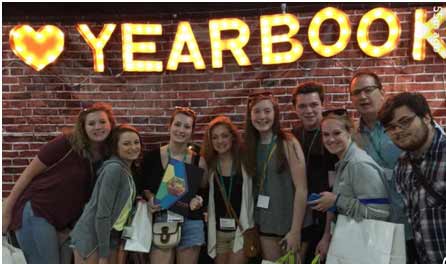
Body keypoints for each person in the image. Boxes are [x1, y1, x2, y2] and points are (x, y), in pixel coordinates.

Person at [2, 102, 115, 264]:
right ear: (83, 127)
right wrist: (6, 212)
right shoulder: (66, 143)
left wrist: (69, 228)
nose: (98, 127)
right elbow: (27, 175)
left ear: (111, 124)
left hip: (63, 223)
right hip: (37, 211)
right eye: (91, 123)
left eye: (102, 122)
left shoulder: (107, 155)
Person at [349, 71, 416, 262]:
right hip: (374, 226)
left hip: (411, 221)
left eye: (368, 90)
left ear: (382, 92)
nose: (363, 96)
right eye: (356, 93)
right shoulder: (351, 134)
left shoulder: (402, 125)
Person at [310, 109, 390, 260]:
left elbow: (380, 212)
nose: (330, 139)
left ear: (349, 132)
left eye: (336, 133)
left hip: (365, 248)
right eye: (326, 135)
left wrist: (336, 200)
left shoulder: (358, 164)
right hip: (351, 243)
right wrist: (327, 236)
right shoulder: (344, 161)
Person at [378, 92, 446, 264]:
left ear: (426, 117)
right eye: (391, 127)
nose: (398, 131)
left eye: (405, 122)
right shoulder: (402, 166)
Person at [138, 106, 207, 264]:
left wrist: (200, 200)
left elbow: (204, 190)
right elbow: (144, 187)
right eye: (177, 124)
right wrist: (150, 198)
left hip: (191, 221)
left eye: (187, 126)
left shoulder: (199, 160)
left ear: (192, 131)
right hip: (162, 219)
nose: (181, 130)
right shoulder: (152, 157)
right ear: (169, 126)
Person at [245, 91, 307, 262]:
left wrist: (295, 231)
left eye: (267, 111)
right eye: (257, 111)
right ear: (250, 115)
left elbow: (302, 189)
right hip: (265, 223)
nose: (262, 116)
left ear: (275, 114)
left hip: (290, 224)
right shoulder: (250, 146)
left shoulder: (288, 142)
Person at [70, 124, 141, 264]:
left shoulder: (126, 169)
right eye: (126, 143)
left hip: (110, 236)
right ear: (115, 147)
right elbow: (103, 213)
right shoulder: (114, 170)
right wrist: (103, 255)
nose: (133, 147)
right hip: (93, 238)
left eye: (136, 142)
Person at [291, 82, 338, 264]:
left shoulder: (332, 136)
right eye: (302, 106)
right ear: (295, 108)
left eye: (314, 104)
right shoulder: (294, 135)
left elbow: (335, 187)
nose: (308, 110)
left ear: (322, 105)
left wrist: (327, 233)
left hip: (327, 215)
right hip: (302, 215)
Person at [201, 116, 254, 264]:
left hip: (241, 230)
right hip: (218, 233)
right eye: (215, 137)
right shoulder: (209, 166)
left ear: (232, 137)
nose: (220, 141)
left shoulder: (244, 163)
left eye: (224, 136)